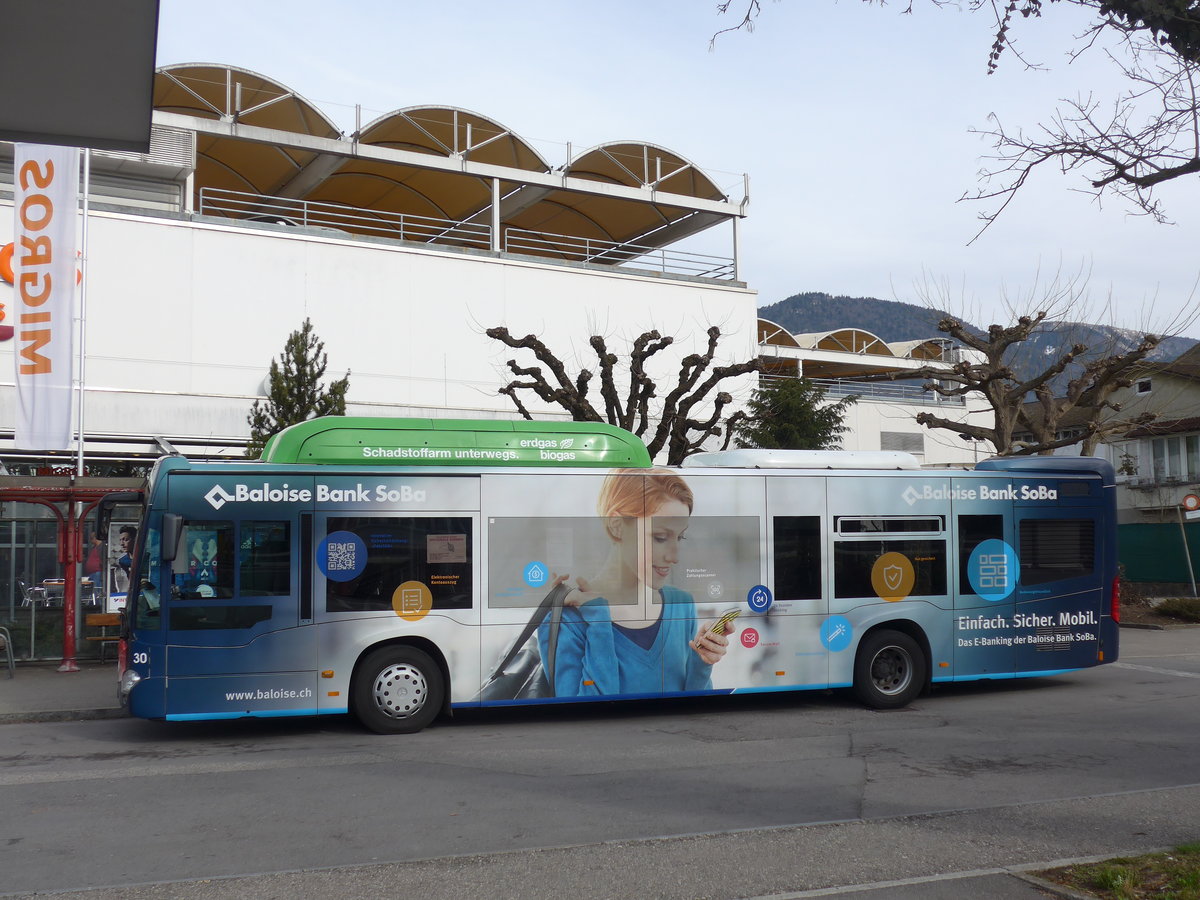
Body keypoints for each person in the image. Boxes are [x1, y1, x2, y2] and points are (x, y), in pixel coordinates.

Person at [538, 468, 729, 697]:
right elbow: (583, 717)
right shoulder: (567, 619)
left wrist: (702, 662)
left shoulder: (681, 604)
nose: (674, 556)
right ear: (617, 526)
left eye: (680, 537)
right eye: (660, 537)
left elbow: (693, 711)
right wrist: (598, 620)